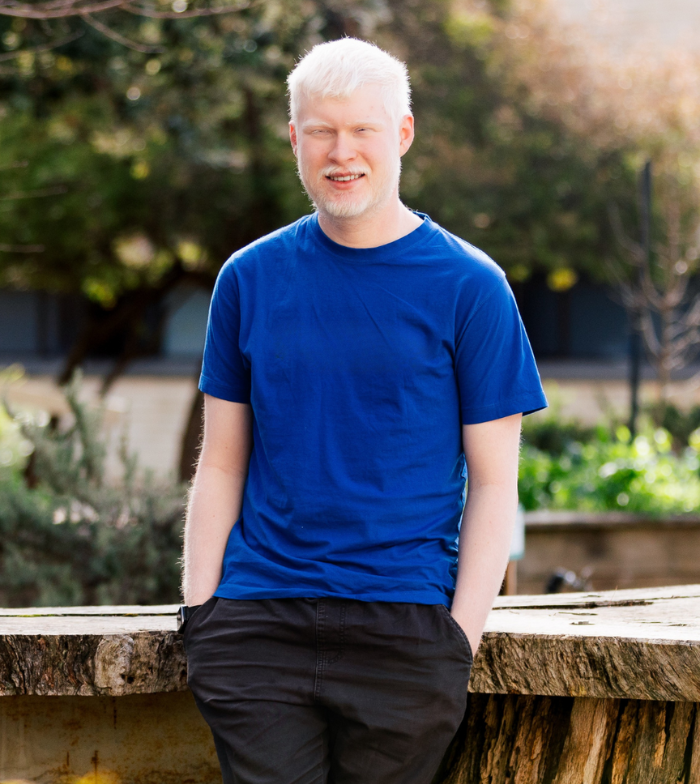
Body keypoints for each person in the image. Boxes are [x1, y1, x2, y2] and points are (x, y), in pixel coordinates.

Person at [180, 37, 547, 784]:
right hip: (259, 621)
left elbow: (496, 483)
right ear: (295, 139)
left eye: (362, 130)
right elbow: (221, 459)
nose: (341, 152)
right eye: (321, 130)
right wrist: (202, 613)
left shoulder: (471, 287)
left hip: (404, 628)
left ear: (402, 134)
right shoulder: (247, 278)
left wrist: (458, 641)